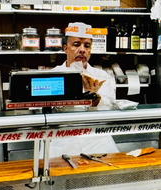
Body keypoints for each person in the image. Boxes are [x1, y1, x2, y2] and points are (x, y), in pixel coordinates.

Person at [50, 22, 118, 157]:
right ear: (65, 48)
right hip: (62, 144)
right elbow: (43, 110)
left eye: (87, 46)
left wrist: (95, 98)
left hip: (98, 142)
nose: (82, 50)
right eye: (76, 45)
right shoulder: (53, 76)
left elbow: (111, 109)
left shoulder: (101, 76)